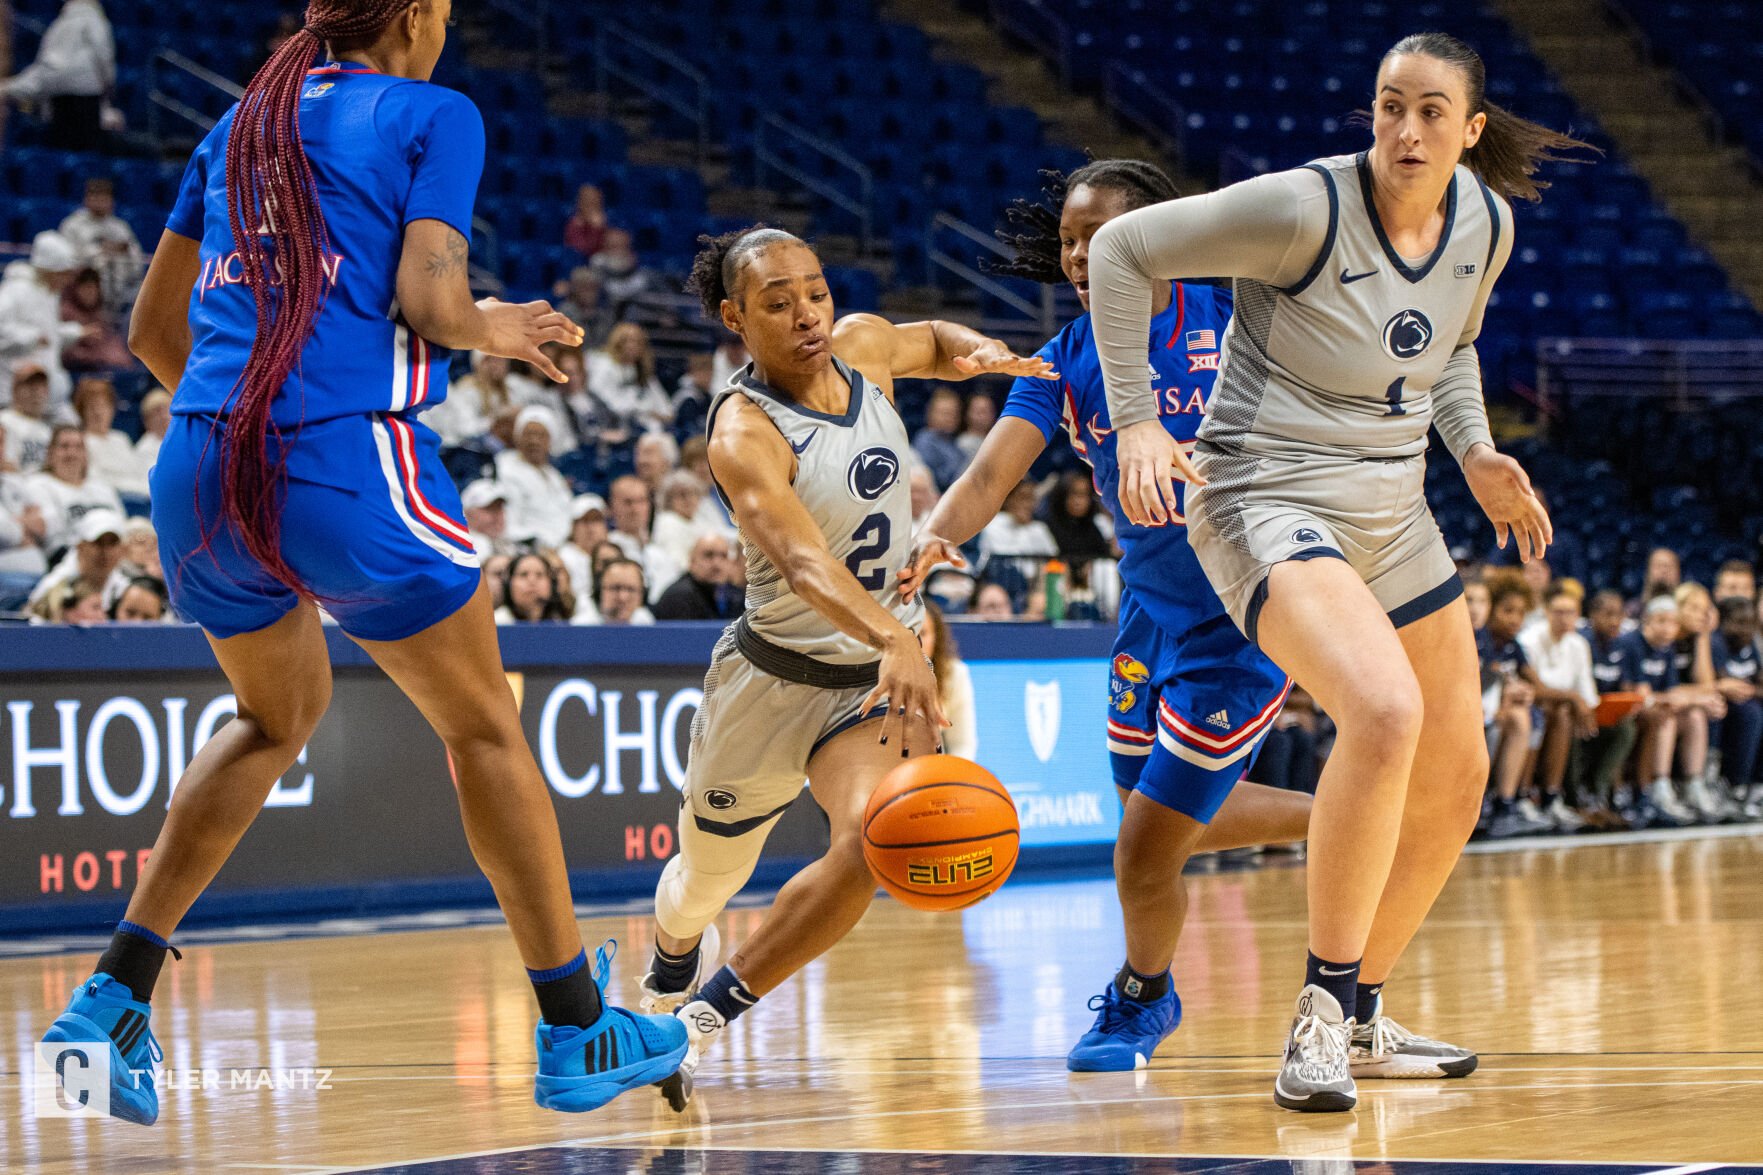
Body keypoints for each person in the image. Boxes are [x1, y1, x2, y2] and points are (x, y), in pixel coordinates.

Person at [36, 0, 686, 1127]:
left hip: (197, 468)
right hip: (337, 456)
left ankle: (108, 1001)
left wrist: (247, 414)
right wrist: (506, 327)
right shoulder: (435, 112)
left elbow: (152, 332)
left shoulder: (240, 121)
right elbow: (433, 304)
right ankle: (579, 1024)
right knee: (482, 724)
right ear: (422, 14)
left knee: (272, 716)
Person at [1089, 33, 1586, 1110]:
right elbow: (1121, 248)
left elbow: (1445, 347)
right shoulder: (1304, 209)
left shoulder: (1484, 224)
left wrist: (1475, 450)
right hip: (1262, 492)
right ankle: (1313, 1019)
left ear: (1470, 130)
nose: (1402, 131)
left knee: (1457, 772)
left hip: (1390, 505)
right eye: (1385, 107)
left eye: (1426, 113)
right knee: (1378, 707)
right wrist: (1133, 419)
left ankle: (1359, 1011)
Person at [904, 158, 1314, 1073]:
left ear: (1158, 238)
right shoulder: (1066, 356)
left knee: (1141, 848)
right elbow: (987, 475)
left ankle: (1141, 996)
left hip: (1239, 618)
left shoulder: (1235, 319)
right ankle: (1351, 816)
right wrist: (932, 538)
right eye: (1068, 241)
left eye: (1099, 236)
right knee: (1151, 815)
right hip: (1146, 615)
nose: (1081, 255)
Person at [636, 224, 1052, 1112]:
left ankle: (693, 1023)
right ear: (734, 319)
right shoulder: (743, 430)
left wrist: (972, 351)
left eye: (815, 291)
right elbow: (804, 566)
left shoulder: (863, 349)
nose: (806, 314)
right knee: (705, 881)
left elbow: (932, 340)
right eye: (777, 303)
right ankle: (672, 956)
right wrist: (898, 637)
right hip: (771, 677)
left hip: (865, 688)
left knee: (872, 838)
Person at [1518, 583, 1599, 831]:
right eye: (1558, 611)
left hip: (1560, 713)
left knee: (1568, 716)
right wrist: (1572, 699)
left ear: (1578, 615)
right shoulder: (1529, 640)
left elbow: (1588, 698)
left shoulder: (1579, 645)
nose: (1564, 618)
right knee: (1550, 714)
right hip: (1530, 709)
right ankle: (1523, 797)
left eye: (1570, 612)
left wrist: (1577, 704)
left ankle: (1556, 797)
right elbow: (1535, 692)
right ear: (1545, 612)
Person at [1477, 574, 1544, 839]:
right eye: (1508, 610)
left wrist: (1527, 691)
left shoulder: (1513, 645)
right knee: (1512, 718)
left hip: (1497, 713)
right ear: (1492, 609)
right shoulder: (1481, 638)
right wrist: (1506, 690)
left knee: (1522, 716)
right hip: (1475, 711)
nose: (1515, 619)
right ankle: (1484, 802)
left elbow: (1536, 684)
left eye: (1520, 612)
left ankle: (1505, 804)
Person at [1620, 596, 1695, 826]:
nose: (1667, 628)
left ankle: (1686, 785)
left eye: (1672, 623)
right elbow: (1639, 694)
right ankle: (1650, 788)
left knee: (1692, 716)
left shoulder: (1666, 649)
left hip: (1650, 711)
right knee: (1661, 718)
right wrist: (1667, 699)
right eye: (1660, 621)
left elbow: (1670, 693)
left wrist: (1689, 699)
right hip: (1625, 710)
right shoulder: (1631, 643)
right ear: (1646, 622)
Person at [0, 0, 114, 150]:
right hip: (81, 97)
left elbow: (47, 70)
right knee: (83, 151)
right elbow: (105, 60)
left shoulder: (59, 26)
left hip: (67, 98)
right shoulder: (93, 22)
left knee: (68, 148)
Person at [1575, 590, 1642, 829]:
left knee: (1627, 727)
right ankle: (1576, 797)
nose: (1615, 621)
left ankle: (1603, 794)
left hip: (1606, 714)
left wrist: (1629, 703)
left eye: (1619, 615)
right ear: (1592, 615)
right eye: (1608, 615)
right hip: (1581, 713)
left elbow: (1625, 685)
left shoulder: (1621, 645)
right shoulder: (1582, 642)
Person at [0, 232, 87, 407]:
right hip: (10, 393)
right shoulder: (16, 290)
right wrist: (32, 337)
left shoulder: (48, 294)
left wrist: (76, 332)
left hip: (43, 395)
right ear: (48, 271)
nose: (67, 280)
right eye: (63, 274)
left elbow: (48, 333)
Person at [1671, 582, 1730, 820]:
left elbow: (1706, 687)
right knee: (1702, 708)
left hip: (1683, 707)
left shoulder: (1698, 640)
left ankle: (1696, 784)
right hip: (1659, 706)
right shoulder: (1666, 634)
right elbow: (1664, 689)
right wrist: (1698, 697)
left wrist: (1704, 636)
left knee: (1708, 709)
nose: (1700, 615)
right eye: (1694, 608)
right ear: (1678, 608)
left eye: (1705, 609)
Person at [24, 423, 123, 553]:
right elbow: (50, 531)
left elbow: (122, 526)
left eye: (78, 447)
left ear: (86, 454)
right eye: (64, 446)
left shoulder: (102, 487)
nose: (72, 453)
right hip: (68, 554)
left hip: (113, 552)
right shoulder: (38, 485)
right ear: (51, 453)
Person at [59, 178, 146, 315]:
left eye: (104, 197)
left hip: (121, 289)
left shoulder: (120, 227)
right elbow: (66, 260)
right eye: (95, 196)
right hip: (83, 286)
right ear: (86, 199)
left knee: (145, 291)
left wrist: (123, 251)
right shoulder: (72, 225)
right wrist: (99, 251)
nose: (99, 201)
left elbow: (137, 262)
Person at [493, 405, 574, 549]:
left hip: (563, 545)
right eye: (528, 434)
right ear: (518, 436)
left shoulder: (553, 475)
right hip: (527, 547)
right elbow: (510, 525)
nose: (534, 441)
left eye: (541, 435)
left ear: (551, 441)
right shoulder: (506, 467)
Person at [1711, 595, 1762, 817]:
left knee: (1754, 710)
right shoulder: (1716, 643)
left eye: (1749, 623)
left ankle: (1757, 785)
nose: (1745, 629)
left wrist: (1748, 689)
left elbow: (1756, 684)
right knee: (1750, 713)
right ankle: (1734, 785)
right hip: (1722, 709)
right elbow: (1722, 684)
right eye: (1739, 623)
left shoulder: (1751, 643)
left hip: (1745, 706)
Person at [587, 322, 673, 435]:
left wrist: (660, 413)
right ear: (617, 342)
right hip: (614, 425)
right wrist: (645, 410)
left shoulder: (641, 369)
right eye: (628, 340)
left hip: (646, 426)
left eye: (638, 342)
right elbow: (604, 400)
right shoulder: (605, 365)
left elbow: (664, 406)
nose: (633, 346)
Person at [919, 601, 976, 758]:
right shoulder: (880, 673)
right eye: (909, 633)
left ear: (936, 637)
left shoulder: (954, 674)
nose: (916, 643)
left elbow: (963, 745)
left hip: (936, 771)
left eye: (923, 633)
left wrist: (955, 780)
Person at [74, 376, 146, 498]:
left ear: (112, 409)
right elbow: (94, 478)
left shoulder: (121, 438)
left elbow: (137, 472)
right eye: (91, 407)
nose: (98, 412)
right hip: (108, 496)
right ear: (82, 411)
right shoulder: (80, 440)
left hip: (139, 493)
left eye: (102, 406)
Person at [653, 532, 741, 621]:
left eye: (723, 556)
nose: (717, 564)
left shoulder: (733, 595)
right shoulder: (679, 597)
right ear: (691, 561)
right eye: (708, 555)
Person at [1, 362, 55, 472]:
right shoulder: (4, 421)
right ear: (15, 390)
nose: (36, 392)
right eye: (30, 386)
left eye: (41, 386)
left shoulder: (49, 430)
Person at [911, 386, 968, 490]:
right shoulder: (925, 440)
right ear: (931, 414)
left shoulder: (952, 442)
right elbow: (937, 480)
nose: (951, 418)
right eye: (945, 413)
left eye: (954, 413)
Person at [557, 493, 609, 603]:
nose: (591, 528)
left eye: (596, 520)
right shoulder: (563, 557)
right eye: (585, 521)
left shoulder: (614, 551)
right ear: (573, 526)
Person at [495, 551, 569, 623]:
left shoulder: (562, 622)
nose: (532, 581)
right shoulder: (495, 623)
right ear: (508, 584)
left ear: (552, 584)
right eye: (523, 574)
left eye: (539, 575)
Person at [460, 478, 518, 562]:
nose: (497, 516)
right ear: (468, 513)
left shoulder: (510, 544)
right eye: (489, 509)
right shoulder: (461, 547)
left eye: (499, 509)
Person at [593, 557, 653, 625]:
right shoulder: (584, 624)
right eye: (615, 588)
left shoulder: (650, 625)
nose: (622, 597)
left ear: (642, 595)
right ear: (599, 592)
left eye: (631, 589)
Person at [564, 183, 609, 259]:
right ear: (579, 202)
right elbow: (581, 250)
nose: (590, 203)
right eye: (586, 199)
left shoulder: (609, 222)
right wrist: (595, 230)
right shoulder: (574, 225)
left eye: (594, 199)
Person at [134, 386, 172, 470]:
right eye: (157, 412)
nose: (163, 416)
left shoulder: (182, 438)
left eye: (166, 410)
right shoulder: (145, 448)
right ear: (147, 422)